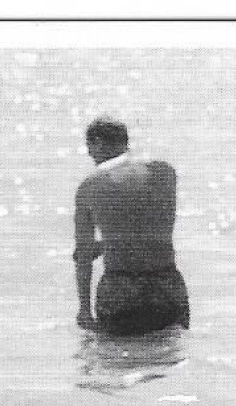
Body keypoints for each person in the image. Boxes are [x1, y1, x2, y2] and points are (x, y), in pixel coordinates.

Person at [73, 116, 190, 336]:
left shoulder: (90, 187)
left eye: (89, 148)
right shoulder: (164, 172)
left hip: (121, 290)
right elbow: (143, 224)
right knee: (168, 358)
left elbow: (83, 255)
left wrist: (84, 311)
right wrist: (111, 242)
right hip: (167, 285)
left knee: (119, 363)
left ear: (97, 142)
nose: (90, 156)